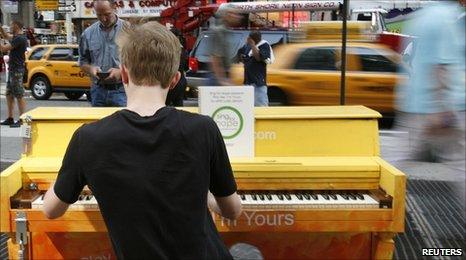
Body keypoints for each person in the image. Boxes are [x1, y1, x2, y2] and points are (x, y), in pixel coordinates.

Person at [42, 21, 242, 259]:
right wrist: (205, 195)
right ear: (175, 79)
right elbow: (232, 210)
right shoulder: (204, 128)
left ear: (124, 72)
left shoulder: (88, 138)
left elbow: (51, 210)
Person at [395, 0, 465, 169]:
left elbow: (406, 58)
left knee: (402, 160)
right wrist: (442, 108)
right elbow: (441, 65)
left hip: (414, 103)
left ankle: (380, 188)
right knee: (461, 162)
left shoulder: (422, 16)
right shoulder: (447, 17)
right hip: (440, 106)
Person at [79, 0, 127, 107]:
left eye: (107, 14)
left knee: (122, 123)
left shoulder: (129, 30)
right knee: (98, 123)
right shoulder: (88, 34)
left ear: (115, 7)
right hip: (98, 91)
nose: (103, 19)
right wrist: (91, 69)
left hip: (123, 90)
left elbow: (141, 62)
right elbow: (83, 61)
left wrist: (121, 72)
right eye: (99, 15)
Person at [0, 21, 28, 127]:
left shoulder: (19, 39)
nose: (10, 27)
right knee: (9, 94)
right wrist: (1, 29)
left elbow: (3, 48)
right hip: (13, 70)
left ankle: (22, 119)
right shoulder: (17, 37)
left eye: (11, 25)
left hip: (17, 70)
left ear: (16, 26)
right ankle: (10, 118)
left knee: (19, 95)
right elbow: (6, 36)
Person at [208, 4, 243, 86]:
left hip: (225, 77)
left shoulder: (229, 32)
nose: (237, 16)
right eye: (233, 13)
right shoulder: (219, 32)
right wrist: (222, 80)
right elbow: (215, 58)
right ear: (225, 16)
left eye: (237, 14)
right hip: (217, 79)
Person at [237, 31, 274, 106]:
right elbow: (241, 56)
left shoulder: (264, 45)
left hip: (258, 82)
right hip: (247, 81)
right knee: (247, 107)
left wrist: (253, 45)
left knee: (261, 106)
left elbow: (258, 58)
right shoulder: (247, 46)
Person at [165, 28, 187, 107]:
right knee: (179, 105)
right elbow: (186, 66)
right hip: (181, 81)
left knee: (166, 104)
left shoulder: (171, 50)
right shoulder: (182, 49)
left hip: (172, 81)